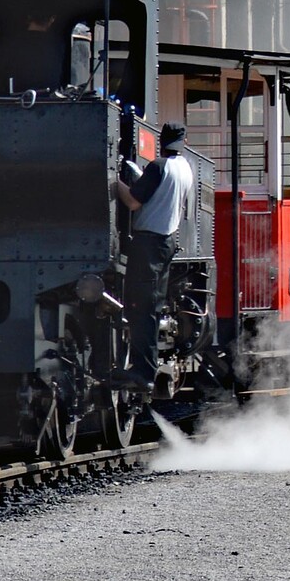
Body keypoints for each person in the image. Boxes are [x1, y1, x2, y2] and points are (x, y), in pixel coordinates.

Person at [115, 122, 195, 401]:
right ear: (183, 142)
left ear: (163, 141)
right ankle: (145, 370)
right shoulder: (186, 168)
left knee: (141, 308)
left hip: (149, 243)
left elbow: (134, 202)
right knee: (151, 306)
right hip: (167, 242)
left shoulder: (159, 167)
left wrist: (116, 183)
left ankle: (143, 373)